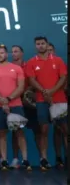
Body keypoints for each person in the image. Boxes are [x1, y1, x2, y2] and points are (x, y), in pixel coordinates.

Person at [24, 36, 67, 170]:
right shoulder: (31, 62)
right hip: (41, 100)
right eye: (38, 44)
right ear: (35, 46)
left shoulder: (58, 60)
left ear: (47, 44)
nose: (41, 46)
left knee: (65, 130)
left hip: (59, 100)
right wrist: (44, 92)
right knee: (44, 130)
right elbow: (31, 80)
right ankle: (44, 159)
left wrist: (52, 91)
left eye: (43, 43)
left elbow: (63, 77)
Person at [0, 44, 30, 170]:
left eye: (2, 53)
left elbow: (20, 87)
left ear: (7, 54)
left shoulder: (16, 68)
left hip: (16, 105)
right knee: (2, 133)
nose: (0, 55)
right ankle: (4, 160)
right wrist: (2, 102)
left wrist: (8, 100)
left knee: (20, 132)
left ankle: (25, 160)